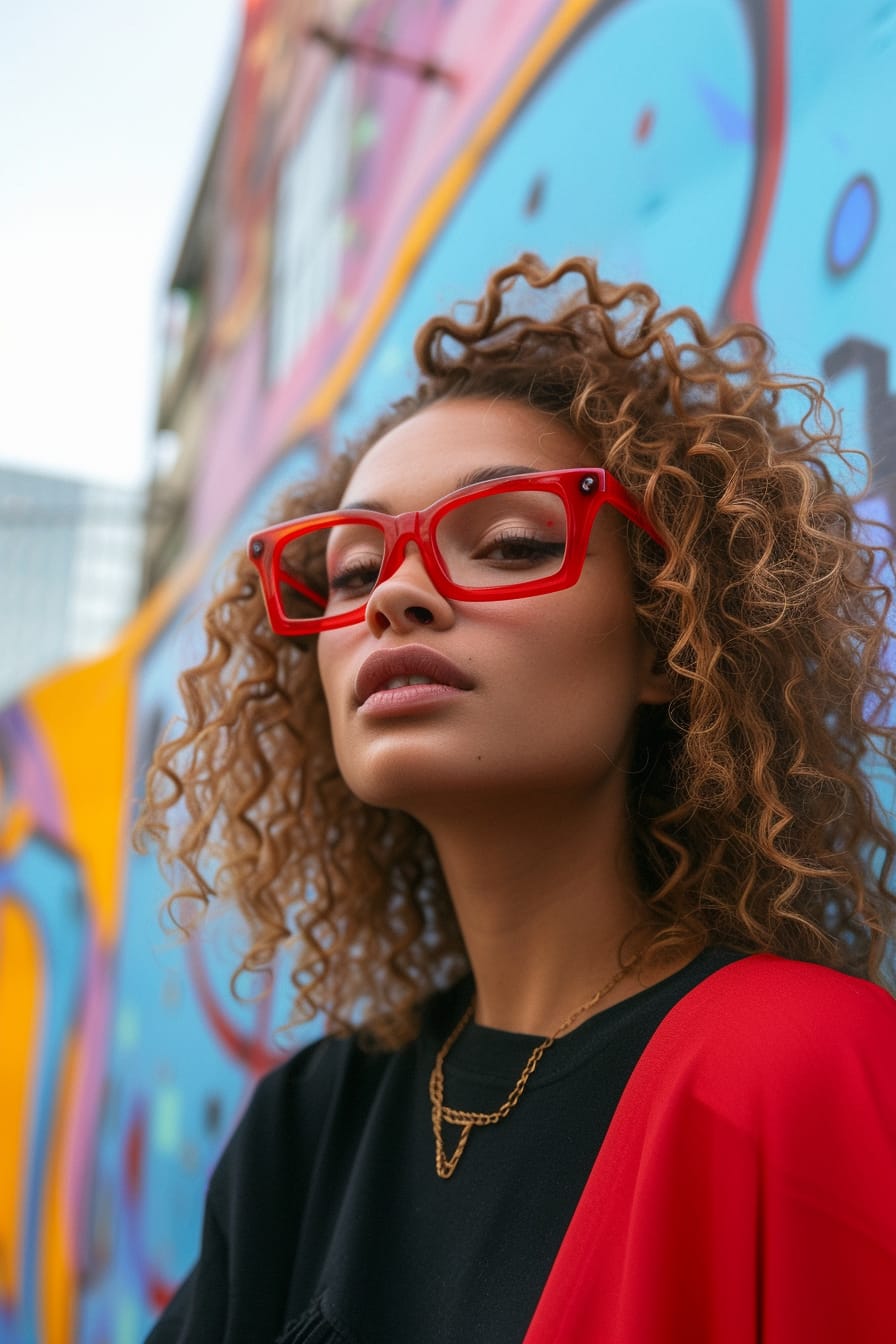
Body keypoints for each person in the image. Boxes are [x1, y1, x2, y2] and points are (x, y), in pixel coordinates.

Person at [139, 255, 896, 1343]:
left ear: (665, 636)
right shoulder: (306, 1123)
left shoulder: (804, 1070)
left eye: (507, 544)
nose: (395, 595)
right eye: (351, 573)